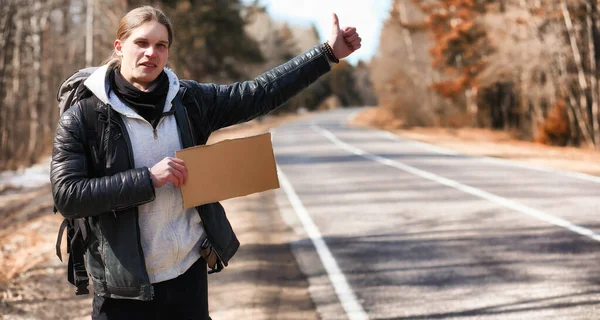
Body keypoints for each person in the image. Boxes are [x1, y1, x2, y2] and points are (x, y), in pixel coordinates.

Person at [51, 5, 361, 320]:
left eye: (161, 45)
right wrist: (147, 179)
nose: (151, 53)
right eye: (141, 43)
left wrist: (326, 55)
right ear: (120, 47)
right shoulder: (84, 116)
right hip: (123, 290)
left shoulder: (188, 100)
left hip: (187, 278)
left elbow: (257, 94)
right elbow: (67, 195)